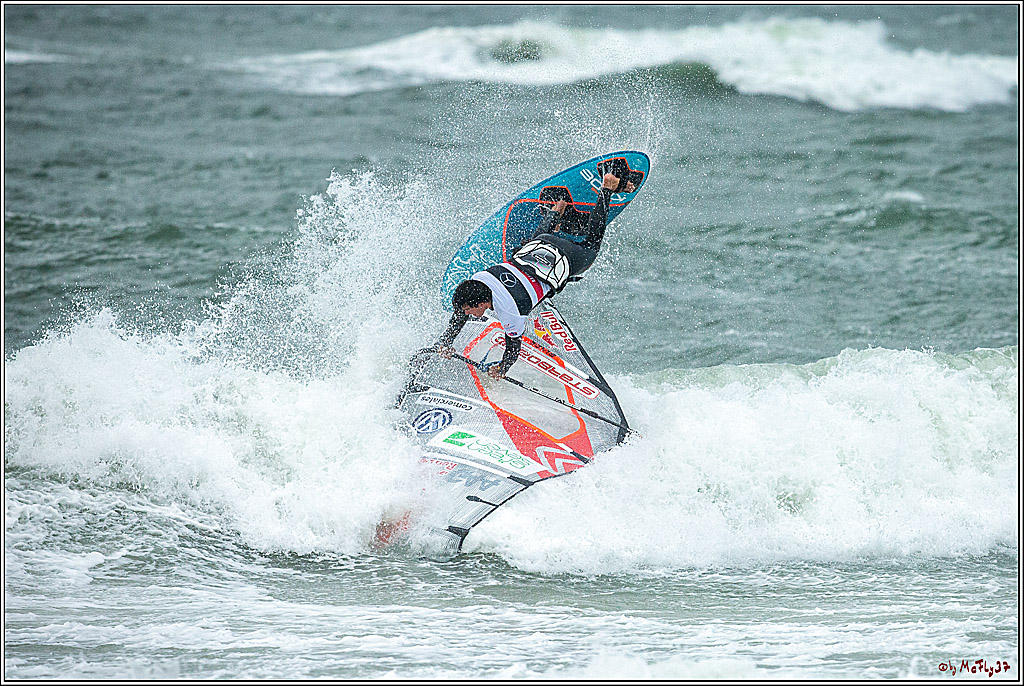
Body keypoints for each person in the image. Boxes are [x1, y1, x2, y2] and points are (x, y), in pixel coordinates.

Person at [437, 171, 635, 379]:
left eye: (469, 310)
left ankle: (607, 188)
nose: (467, 314)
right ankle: (557, 209)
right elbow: (460, 314)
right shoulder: (480, 279)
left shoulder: (511, 313)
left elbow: (513, 349)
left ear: (481, 303)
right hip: (541, 243)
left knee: (591, 245)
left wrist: (502, 369)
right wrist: (445, 343)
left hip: (566, 257)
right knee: (531, 245)